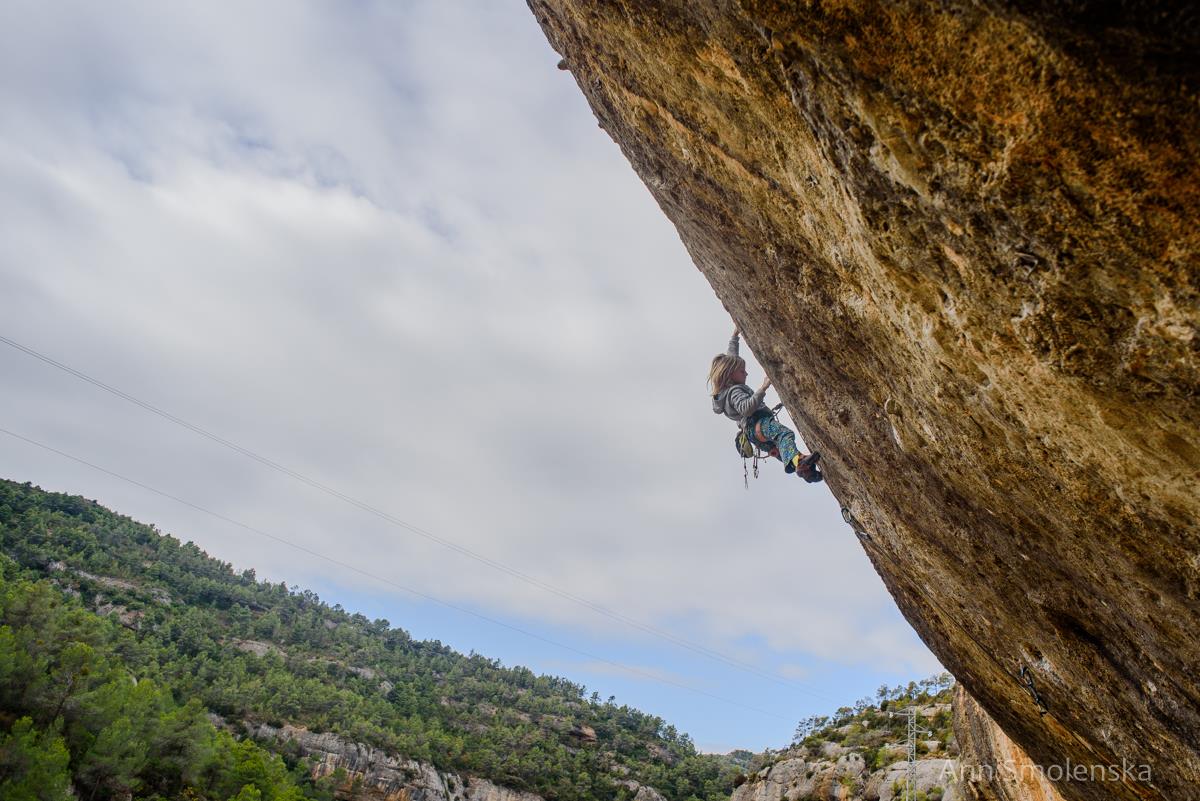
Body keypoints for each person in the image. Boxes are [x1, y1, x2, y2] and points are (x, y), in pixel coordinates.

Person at [709, 325, 822, 482]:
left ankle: (806, 470)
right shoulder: (734, 392)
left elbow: (732, 357)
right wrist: (763, 388)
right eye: (742, 371)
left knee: (783, 449)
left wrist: (734, 336)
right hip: (758, 424)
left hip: (755, 434)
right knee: (784, 434)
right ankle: (801, 463)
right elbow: (746, 408)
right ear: (730, 374)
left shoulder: (726, 390)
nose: (746, 373)